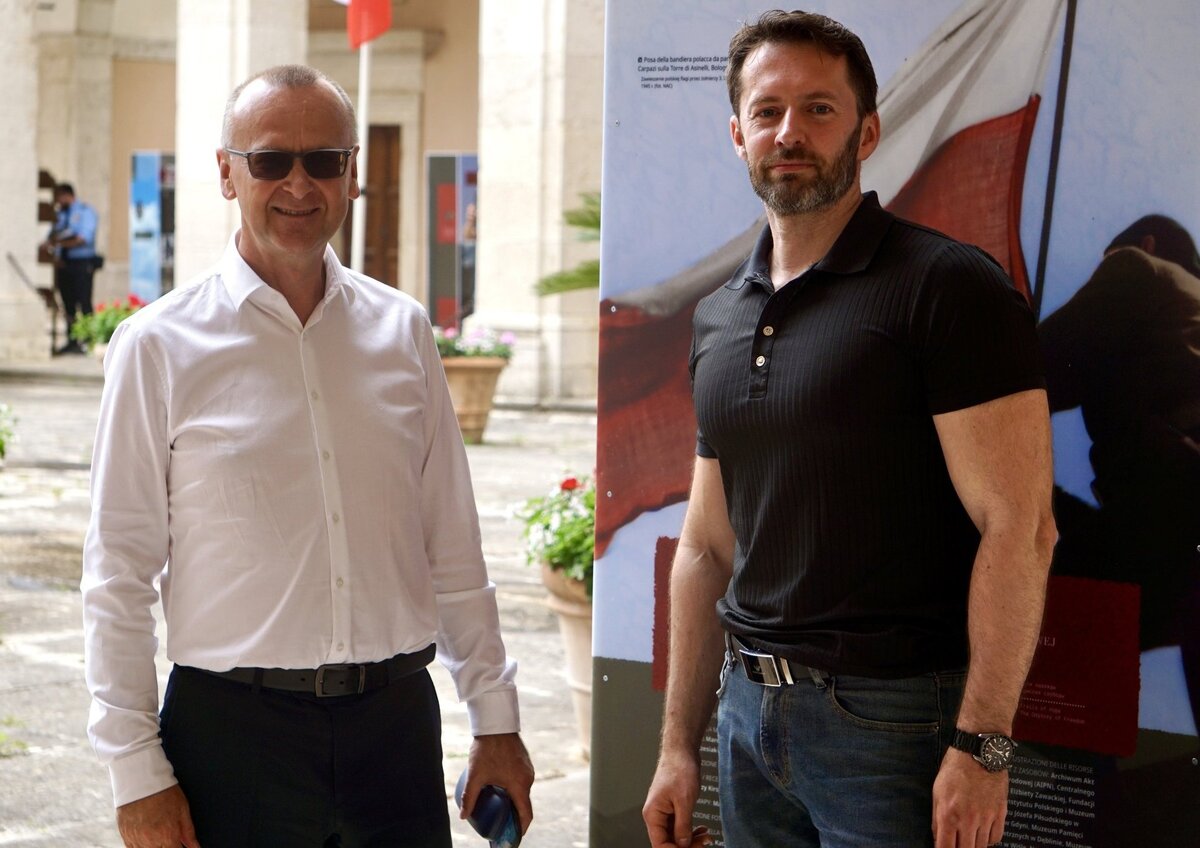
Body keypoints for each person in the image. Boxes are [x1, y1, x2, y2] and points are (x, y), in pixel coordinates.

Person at [82, 65, 534, 848]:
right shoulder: (156, 347)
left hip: (394, 732)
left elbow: (453, 546)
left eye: (324, 159)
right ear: (227, 173)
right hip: (231, 741)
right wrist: (136, 773)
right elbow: (117, 575)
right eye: (270, 160)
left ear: (351, 173)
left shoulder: (402, 332)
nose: (299, 183)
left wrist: (495, 720)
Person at [642, 11, 1056, 848]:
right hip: (746, 717)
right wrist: (678, 747)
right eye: (767, 111)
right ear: (738, 135)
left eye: (819, 108)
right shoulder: (720, 316)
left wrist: (983, 747)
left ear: (867, 131)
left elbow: (1021, 526)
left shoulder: (947, 288)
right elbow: (706, 546)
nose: (789, 132)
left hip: (892, 727)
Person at [1038, 215, 1200, 727]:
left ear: (1146, 244)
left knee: (1006, 528)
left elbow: (1035, 371)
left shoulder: (1138, 267)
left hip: (1171, 509)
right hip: (1176, 527)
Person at [42, 182, 99, 354]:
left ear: (67, 195)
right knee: (68, 303)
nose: (57, 201)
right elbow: (51, 237)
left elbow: (84, 238)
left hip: (81, 263)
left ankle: (89, 340)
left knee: (84, 302)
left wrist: (60, 243)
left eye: (59, 197)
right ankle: (72, 340)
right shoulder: (60, 215)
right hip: (63, 264)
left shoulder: (85, 211)